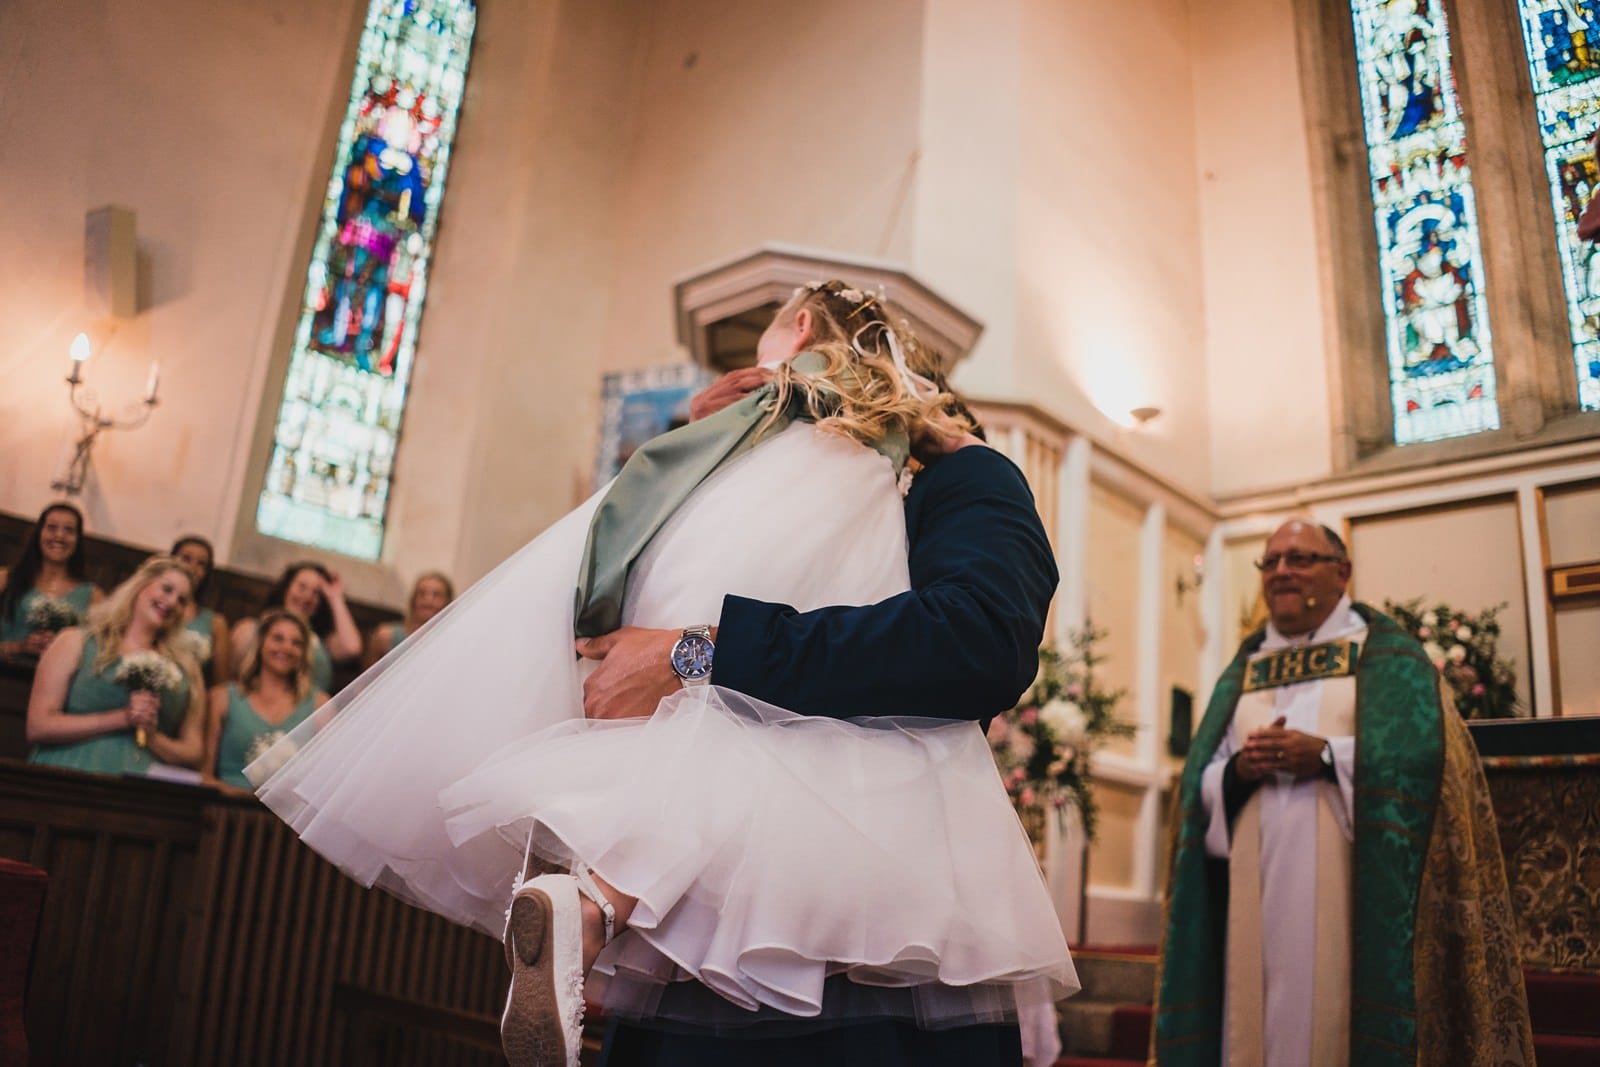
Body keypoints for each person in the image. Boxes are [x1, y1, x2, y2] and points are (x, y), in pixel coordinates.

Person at [248, 280, 1077, 1067]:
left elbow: (975, 642)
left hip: (872, 949)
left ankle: (593, 904)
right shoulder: (750, 484)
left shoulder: (957, 474)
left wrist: (698, 652)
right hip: (704, 934)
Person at [1154, 519, 1534, 1066]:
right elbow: (1200, 787)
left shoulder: (1388, 660)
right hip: (1250, 892)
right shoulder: (1243, 670)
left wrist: (1329, 757)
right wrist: (1239, 770)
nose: (1282, 570)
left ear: (1342, 572)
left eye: (1299, 558)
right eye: (1271, 561)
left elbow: (1429, 766)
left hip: (1352, 892)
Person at [26, 556, 205, 776]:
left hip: (143, 785)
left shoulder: (186, 668)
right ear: (141, 584)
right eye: (167, 589)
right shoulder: (76, 641)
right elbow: (38, 726)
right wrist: (122, 718)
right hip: (72, 771)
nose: (171, 603)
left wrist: (153, 738)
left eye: (181, 600)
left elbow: (194, 752)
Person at [206, 609, 324, 791]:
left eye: (296, 643)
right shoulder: (222, 697)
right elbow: (204, 775)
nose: (286, 648)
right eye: (278, 638)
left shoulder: (320, 705)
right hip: (225, 808)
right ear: (261, 643)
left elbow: (322, 783)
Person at [230, 561, 361, 694]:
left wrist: (335, 597)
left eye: (316, 593)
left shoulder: (323, 642)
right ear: (286, 588)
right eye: (302, 587)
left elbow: (351, 647)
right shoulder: (249, 629)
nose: (307, 597)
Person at [0, 503, 103, 658]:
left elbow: (96, 654)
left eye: (69, 530)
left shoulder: (94, 597)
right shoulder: (5, 579)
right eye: (52, 528)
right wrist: (20, 646)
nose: (60, 536)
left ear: (77, 540)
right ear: (39, 533)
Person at [360, 571, 453, 669]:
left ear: (447, 602)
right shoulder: (385, 636)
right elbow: (367, 678)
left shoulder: (451, 644)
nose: (428, 600)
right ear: (413, 600)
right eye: (421, 593)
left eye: (436, 595)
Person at [171, 535, 231, 685]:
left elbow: (220, 684)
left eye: (201, 564)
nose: (192, 568)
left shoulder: (216, 624)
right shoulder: (158, 607)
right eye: (186, 559)